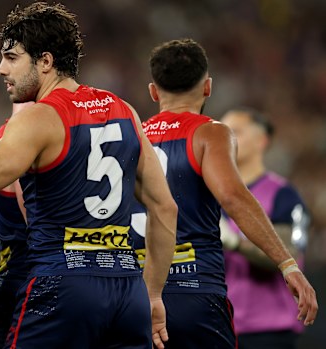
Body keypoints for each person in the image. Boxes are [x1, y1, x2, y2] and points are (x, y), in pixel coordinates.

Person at [0, 3, 177, 349]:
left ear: (45, 61)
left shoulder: (40, 118)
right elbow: (164, 207)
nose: (0, 68)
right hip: (129, 294)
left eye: (12, 57)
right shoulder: (123, 109)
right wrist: (153, 293)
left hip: (63, 287)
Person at [129, 38, 317, 349]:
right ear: (208, 87)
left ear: (153, 90)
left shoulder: (131, 136)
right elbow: (232, 197)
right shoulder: (209, 132)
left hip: (137, 295)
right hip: (195, 291)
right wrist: (288, 264)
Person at [220, 108, 310, 349]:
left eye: (236, 131)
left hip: (267, 329)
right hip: (219, 326)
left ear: (262, 141)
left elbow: (290, 253)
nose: (226, 137)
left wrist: (236, 243)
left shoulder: (283, 195)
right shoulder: (211, 194)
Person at [0, 102, 31, 349]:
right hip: (23, 288)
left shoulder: (12, 133)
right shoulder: (22, 136)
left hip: (13, 284)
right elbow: (34, 221)